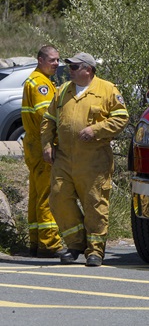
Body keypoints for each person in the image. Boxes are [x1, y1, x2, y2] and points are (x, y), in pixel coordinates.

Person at [41, 52, 129, 267]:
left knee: (94, 204)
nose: (69, 70)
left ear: (88, 69)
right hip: (64, 158)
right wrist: (46, 145)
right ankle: (75, 243)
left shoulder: (107, 89)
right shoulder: (63, 91)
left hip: (94, 160)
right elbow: (48, 120)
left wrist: (96, 129)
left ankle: (95, 251)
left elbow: (121, 118)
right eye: (69, 67)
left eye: (74, 67)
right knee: (58, 198)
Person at [21, 45, 64, 258]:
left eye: (58, 60)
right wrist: (55, 142)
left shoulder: (39, 80)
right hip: (41, 145)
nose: (56, 63)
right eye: (52, 60)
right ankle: (49, 244)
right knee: (47, 194)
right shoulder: (40, 84)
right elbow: (45, 117)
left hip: (33, 144)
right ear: (40, 60)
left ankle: (36, 241)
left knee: (37, 194)